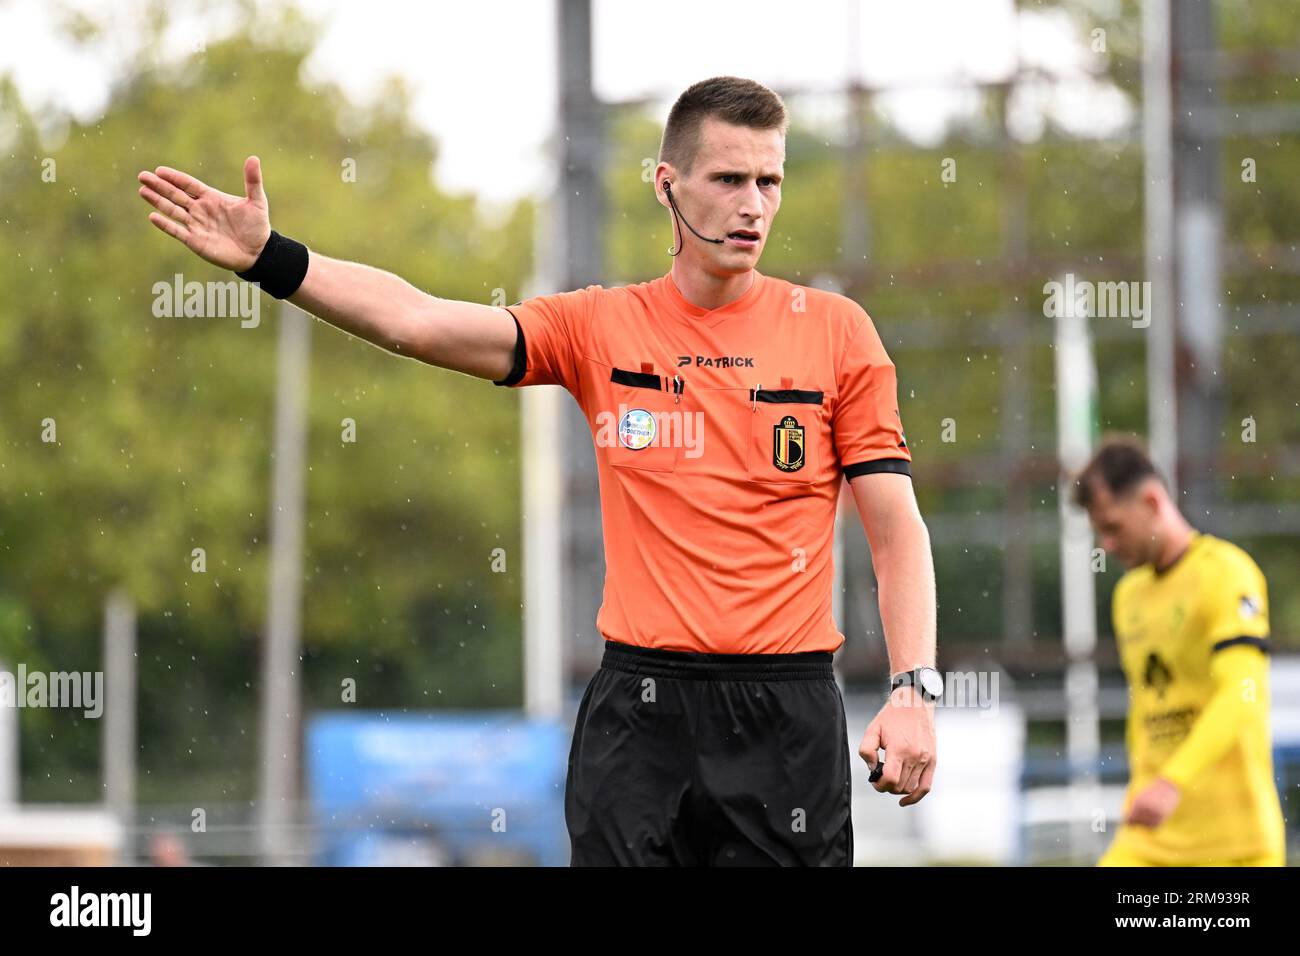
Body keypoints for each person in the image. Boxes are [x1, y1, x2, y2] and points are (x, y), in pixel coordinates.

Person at [136, 75, 939, 867]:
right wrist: (272, 259)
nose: (753, 205)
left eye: (769, 180)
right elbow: (417, 322)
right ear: (668, 185)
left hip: (785, 717)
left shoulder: (836, 333)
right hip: (639, 715)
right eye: (728, 179)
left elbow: (896, 533)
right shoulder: (599, 324)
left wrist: (912, 691)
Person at [1073, 436, 1285, 866]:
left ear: (1152, 501)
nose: (1106, 545)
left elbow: (1242, 696)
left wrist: (1172, 782)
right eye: (1099, 531)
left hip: (1237, 845)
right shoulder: (1128, 596)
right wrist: (1143, 789)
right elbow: (1147, 708)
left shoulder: (1227, 573)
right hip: (1151, 843)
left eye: (1112, 526)